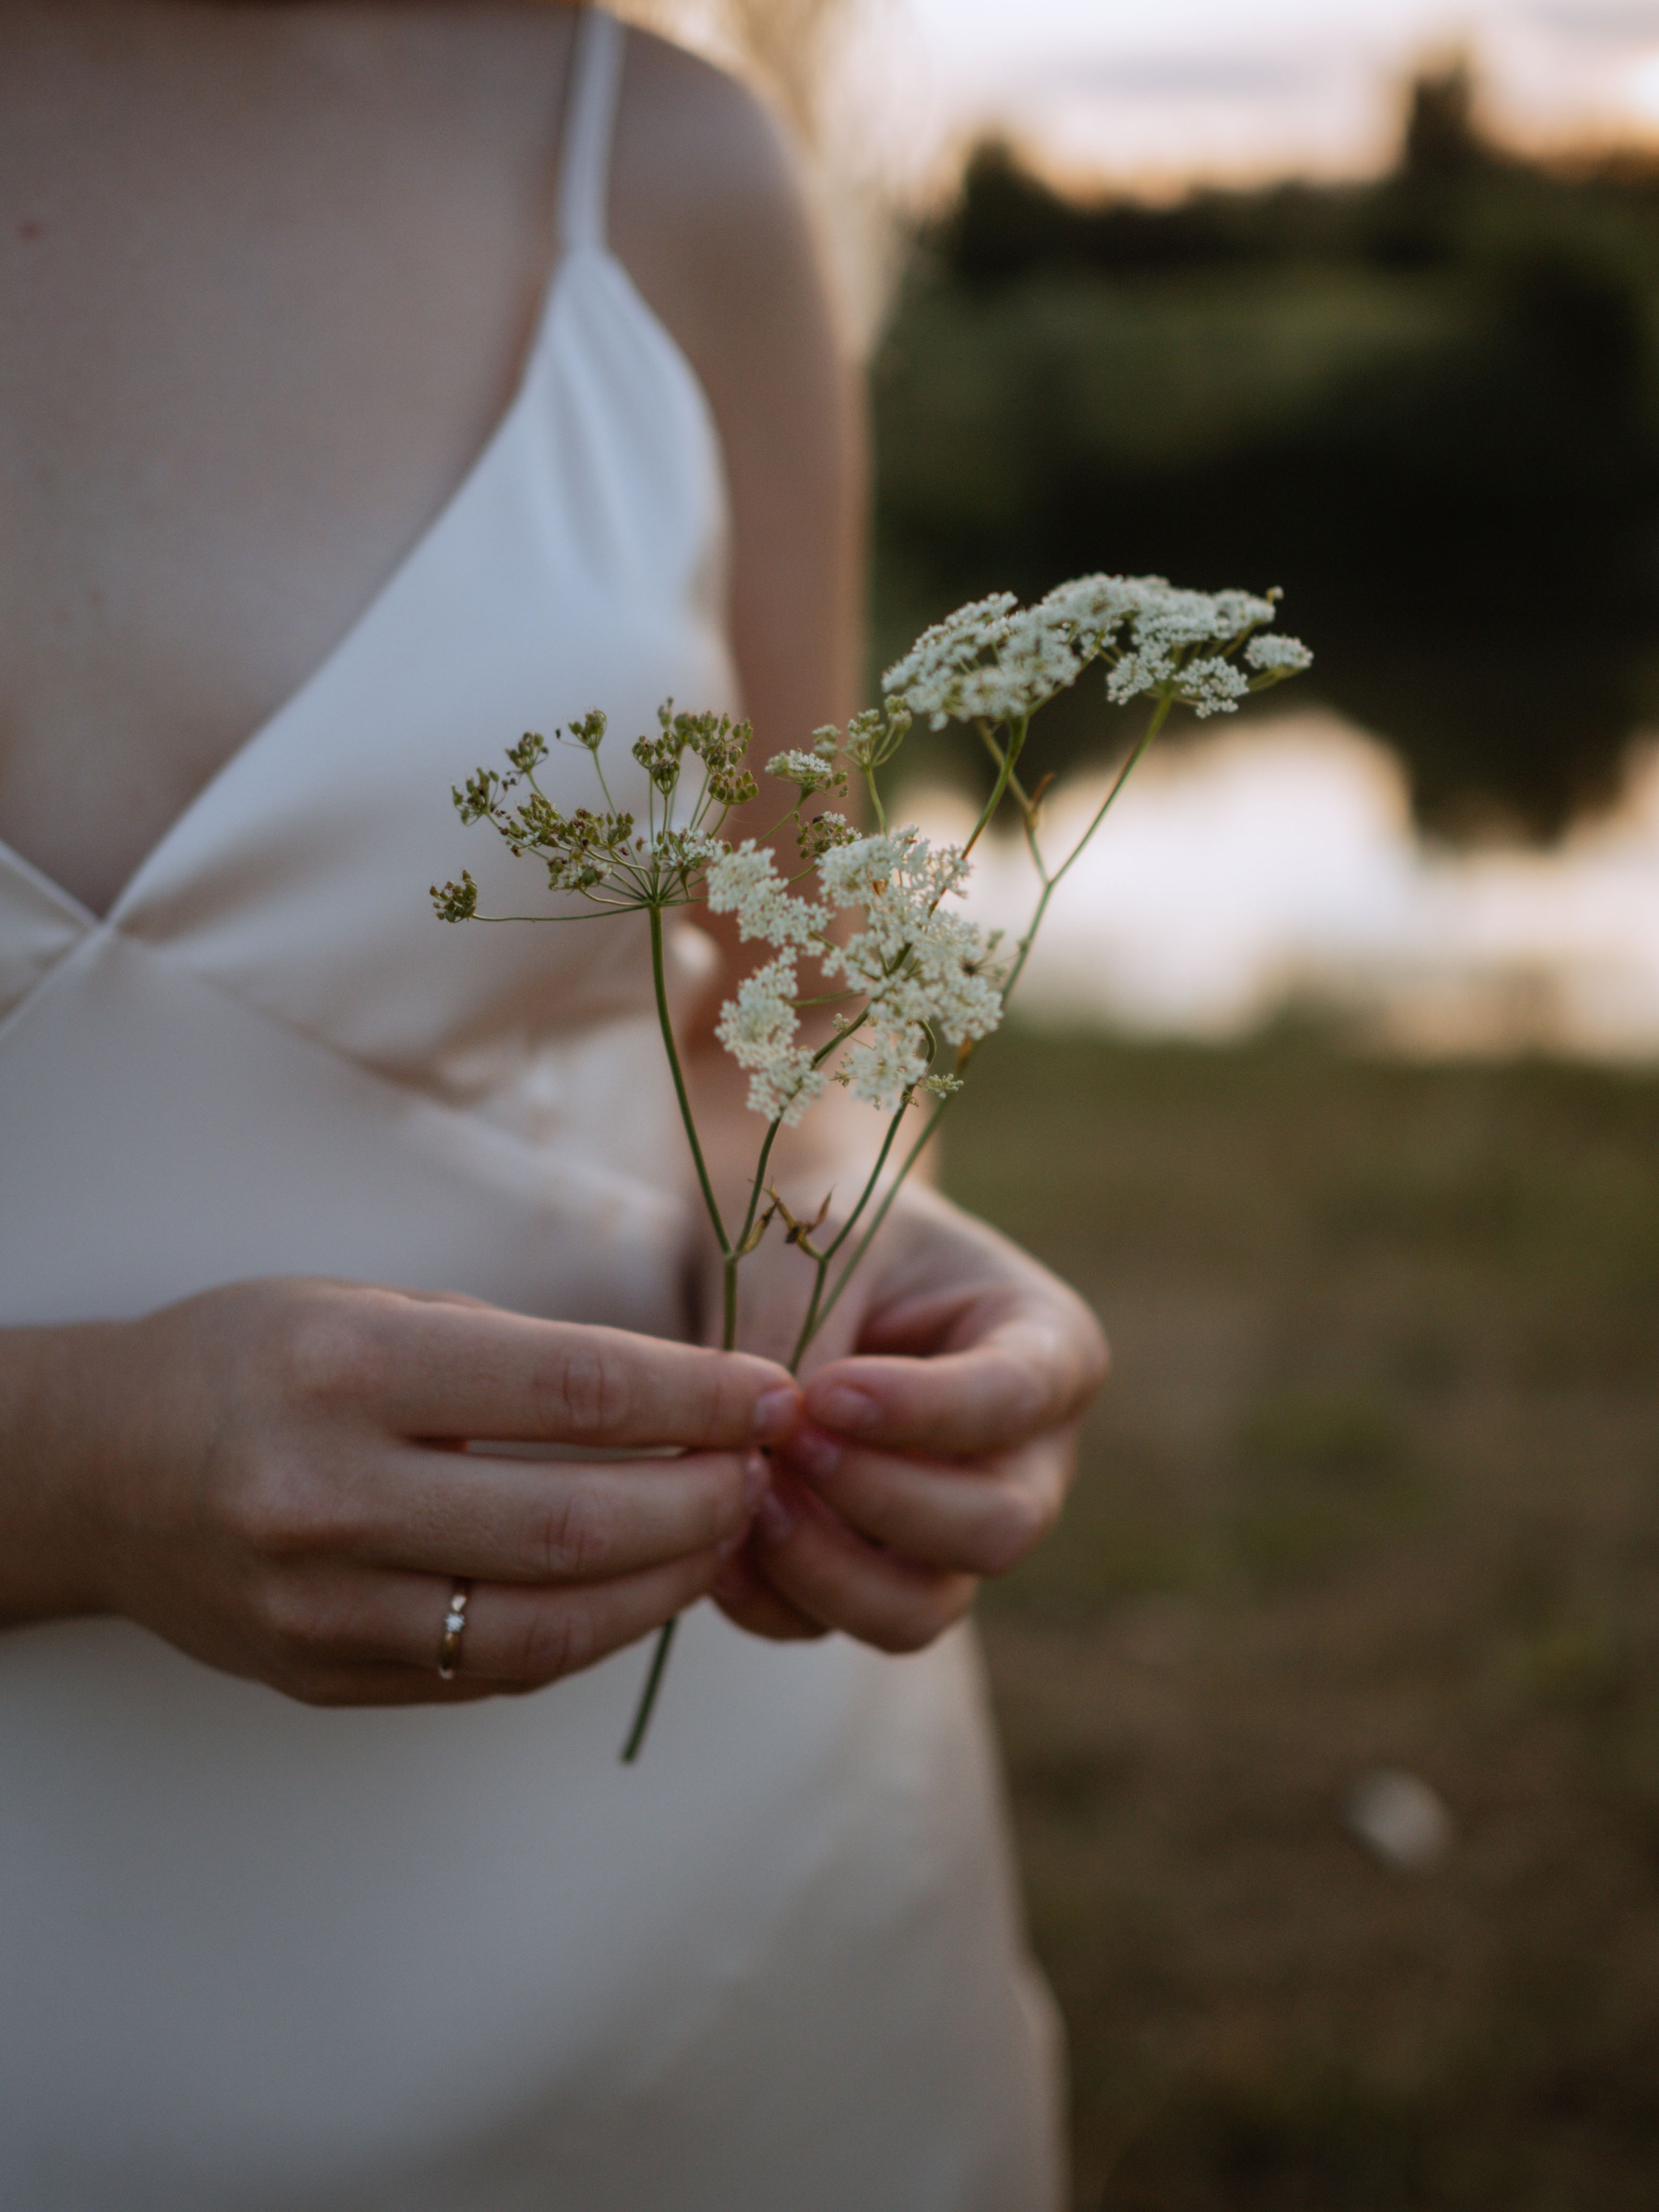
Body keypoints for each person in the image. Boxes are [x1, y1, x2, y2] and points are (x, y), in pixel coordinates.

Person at [0, 3, 1107, 2205]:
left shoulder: (664, 167)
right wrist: (74, 1474)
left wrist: (831, 1243)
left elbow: (800, 1006)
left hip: (709, 1885)